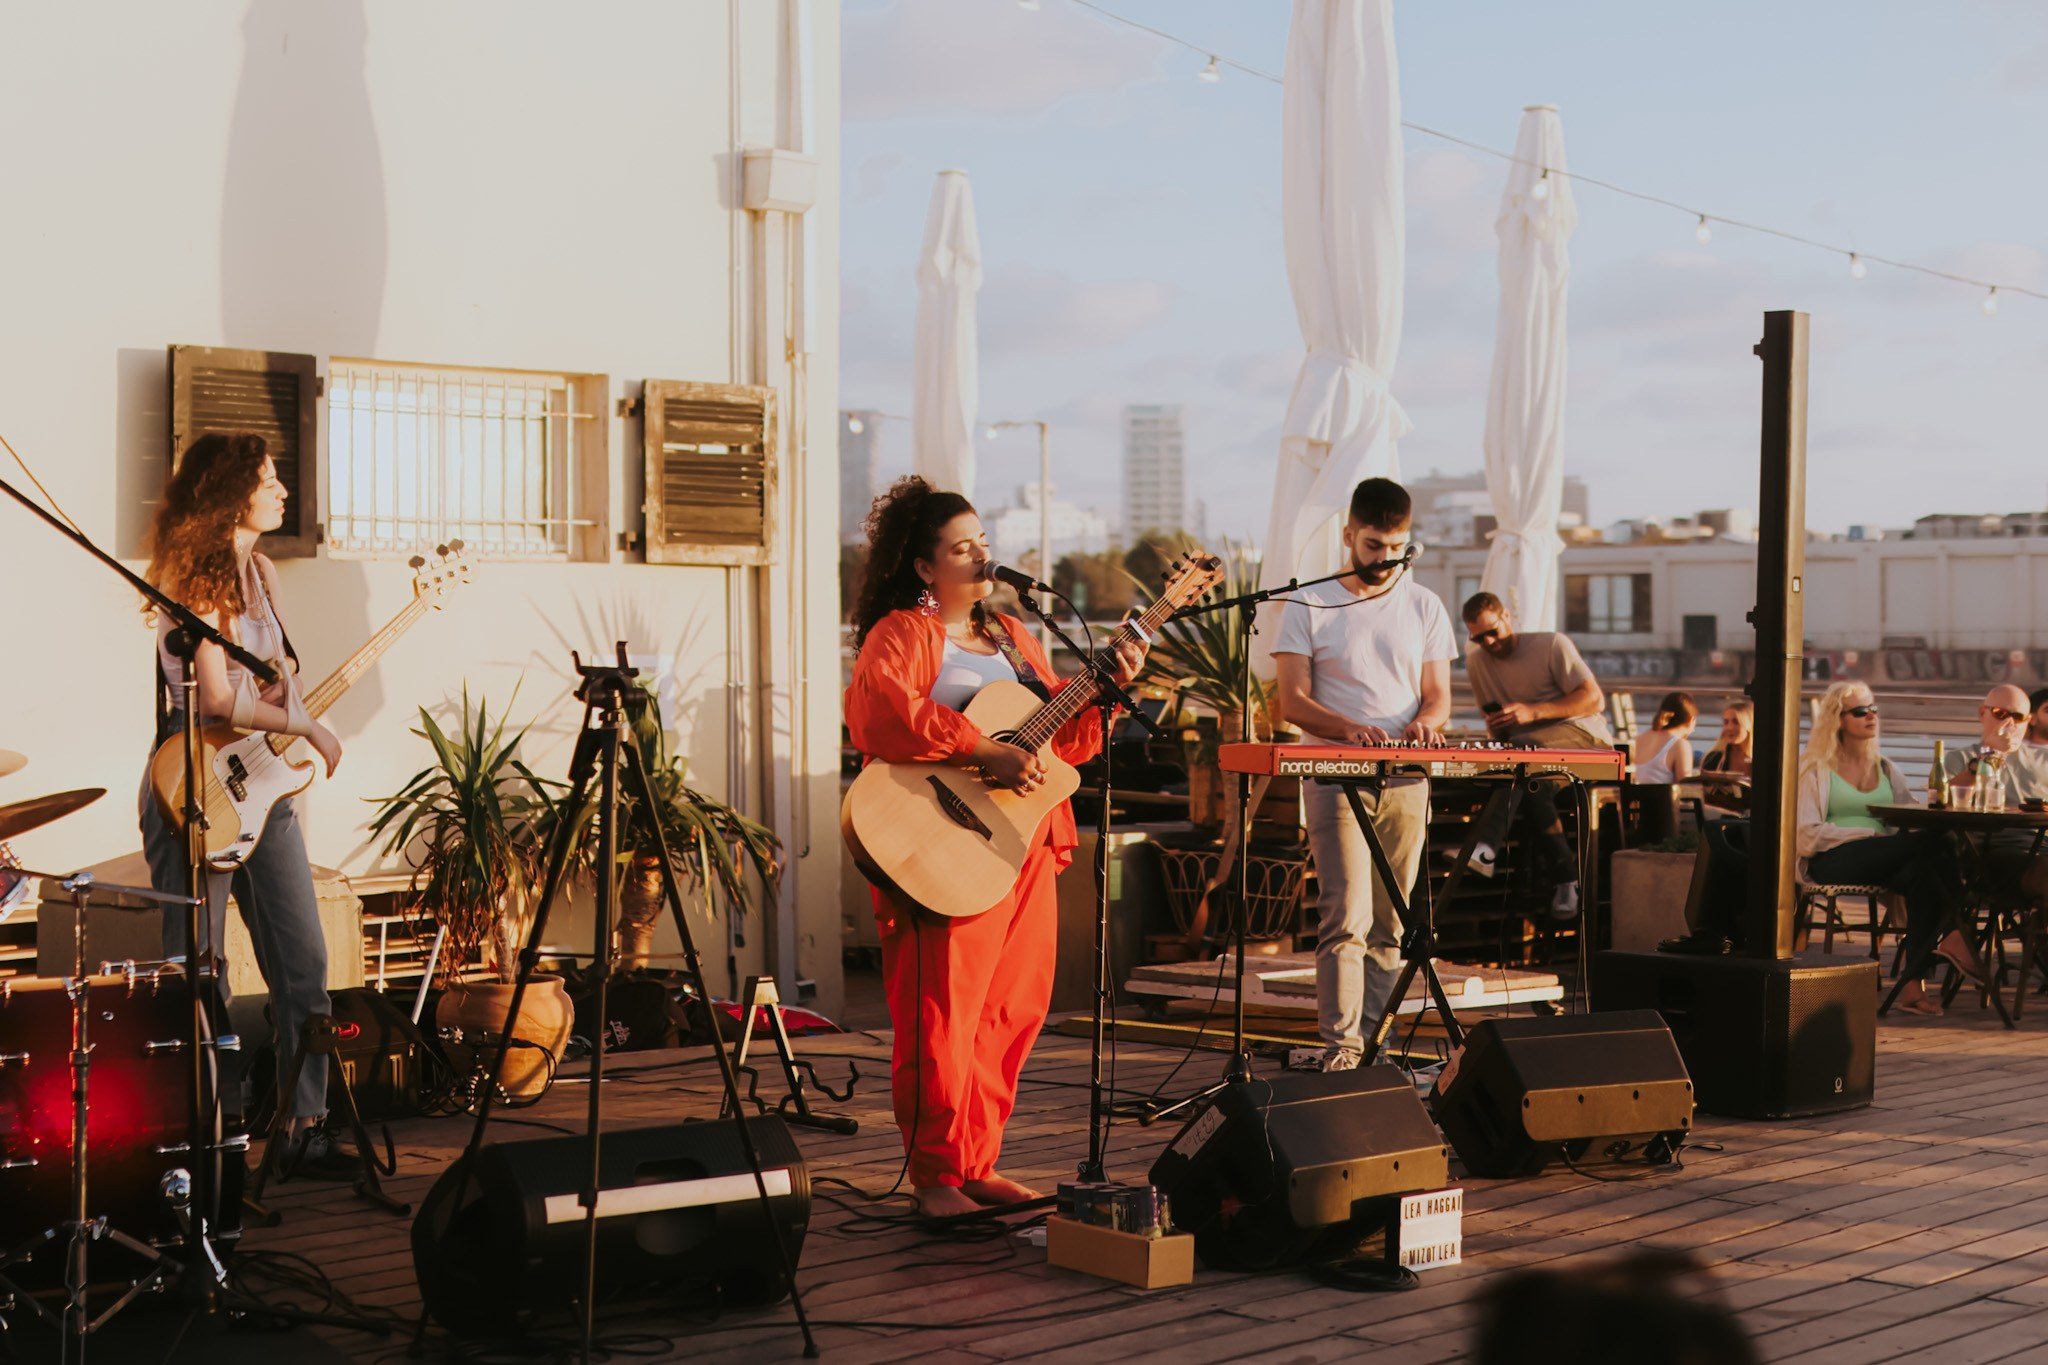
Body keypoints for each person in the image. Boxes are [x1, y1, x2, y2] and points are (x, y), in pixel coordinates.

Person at [844, 476, 1146, 1219]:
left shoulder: (1016, 639)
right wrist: (982, 747)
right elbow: (885, 715)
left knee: (1012, 1007)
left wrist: (1103, 696)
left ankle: (977, 1160)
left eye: (984, 541)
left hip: (1019, 844)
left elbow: (1058, 746)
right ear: (924, 567)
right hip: (938, 844)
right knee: (943, 1010)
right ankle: (936, 1175)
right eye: (963, 546)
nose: (983, 555)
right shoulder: (904, 634)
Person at [139, 432, 348, 1170]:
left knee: (303, 954)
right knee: (200, 964)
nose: (283, 489)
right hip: (193, 779)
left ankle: (306, 1124)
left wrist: (293, 702)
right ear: (231, 491)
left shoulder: (262, 572)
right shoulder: (190, 581)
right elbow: (220, 702)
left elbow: (271, 683)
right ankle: (209, 1131)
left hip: (264, 782)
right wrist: (308, 724)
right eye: (268, 478)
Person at [1273, 478, 1456, 1071]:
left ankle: (1376, 1046)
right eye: (1374, 545)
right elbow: (1292, 702)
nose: (1385, 559)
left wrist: (1428, 722)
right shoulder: (1309, 602)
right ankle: (1342, 1048)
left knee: (1391, 921)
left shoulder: (1424, 604)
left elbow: (1437, 697)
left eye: (1396, 547)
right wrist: (1347, 727)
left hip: (1406, 775)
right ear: (1349, 535)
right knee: (1345, 913)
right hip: (1333, 773)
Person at [1796, 681, 1978, 1016]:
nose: (1871, 717)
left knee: (1928, 873)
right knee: (1940, 841)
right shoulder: (1814, 768)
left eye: (1874, 710)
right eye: (1861, 711)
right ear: (1837, 719)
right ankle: (1953, 932)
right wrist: (1868, 835)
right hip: (1833, 859)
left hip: (1885, 857)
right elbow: (1806, 835)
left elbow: (1908, 816)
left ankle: (1912, 987)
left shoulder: (1884, 767)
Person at [1459, 591, 1611, 918]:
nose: (1487, 642)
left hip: (1583, 737)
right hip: (1530, 753)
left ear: (1507, 618)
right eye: (1478, 637)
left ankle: (1485, 847)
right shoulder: (1477, 662)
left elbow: (1594, 699)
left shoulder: (1551, 644)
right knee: (1533, 784)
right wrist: (1498, 733)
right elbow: (1498, 728)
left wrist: (1534, 712)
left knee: (1524, 758)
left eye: (1492, 632)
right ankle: (1567, 879)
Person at [1631, 692, 1698, 785]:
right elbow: (1685, 790)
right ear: (1691, 720)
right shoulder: (1680, 745)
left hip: (1629, 798)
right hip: (1659, 799)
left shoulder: (1635, 740)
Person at [1700, 699, 1754, 777]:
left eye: (1736, 722)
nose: (1729, 728)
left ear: (1749, 724)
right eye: (1726, 722)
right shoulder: (1714, 758)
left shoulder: (1765, 758)